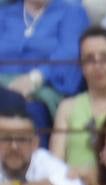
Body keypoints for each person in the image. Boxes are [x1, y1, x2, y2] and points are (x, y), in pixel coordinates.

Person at [50, 27, 106, 185]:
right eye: (90, 59)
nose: (98, 65)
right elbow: (55, 164)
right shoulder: (68, 107)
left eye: (105, 58)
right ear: (81, 66)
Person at [0, 0, 90, 138]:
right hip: (3, 85)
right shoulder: (5, 13)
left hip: (45, 87)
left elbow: (69, 53)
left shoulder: (72, 12)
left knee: (28, 111)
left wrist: (36, 78)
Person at [0, 107, 86, 185]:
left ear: (35, 143)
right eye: (6, 138)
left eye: (21, 139)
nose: (14, 146)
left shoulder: (43, 160)